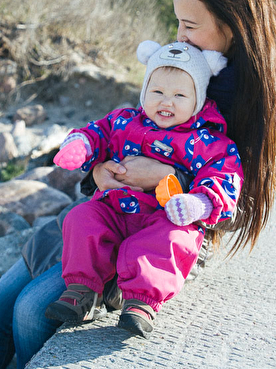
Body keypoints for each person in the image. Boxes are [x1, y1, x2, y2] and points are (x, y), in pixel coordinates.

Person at [0, 0, 276, 368]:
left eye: (190, 25)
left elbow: (241, 204)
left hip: (163, 232)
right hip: (109, 208)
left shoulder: (270, 98)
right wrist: (99, 171)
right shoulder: (186, 59)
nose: (180, 35)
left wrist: (170, 179)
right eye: (178, 22)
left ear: (233, 23)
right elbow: (130, 128)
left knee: (30, 311)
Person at [44, 40, 242, 338]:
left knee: (174, 238)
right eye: (157, 92)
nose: (167, 102)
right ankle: (83, 291)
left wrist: (199, 202)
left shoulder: (208, 142)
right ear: (144, 91)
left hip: (164, 216)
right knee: (81, 218)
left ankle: (141, 301)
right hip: (115, 210)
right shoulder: (125, 121)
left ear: (199, 99)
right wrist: (82, 145)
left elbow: (224, 176)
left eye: (180, 95)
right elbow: (99, 132)